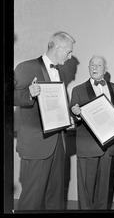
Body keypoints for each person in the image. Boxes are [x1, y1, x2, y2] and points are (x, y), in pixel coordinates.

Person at [14, 31, 76, 210]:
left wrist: (67, 119)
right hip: (36, 146)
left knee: (55, 200)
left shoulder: (61, 74)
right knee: (32, 201)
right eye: (69, 52)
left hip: (58, 144)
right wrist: (29, 94)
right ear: (58, 47)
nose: (70, 56)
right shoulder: (26, 67)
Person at [70, 55, 114, 210]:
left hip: (109, 148)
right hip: (87, 147)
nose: (94, 68)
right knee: (86, 193)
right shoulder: (78, 90)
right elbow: (72, 116)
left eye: (98, 65)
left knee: (104, 192)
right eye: (92, 65)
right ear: (88, 68)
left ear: (105, 69)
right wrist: (75, 113)